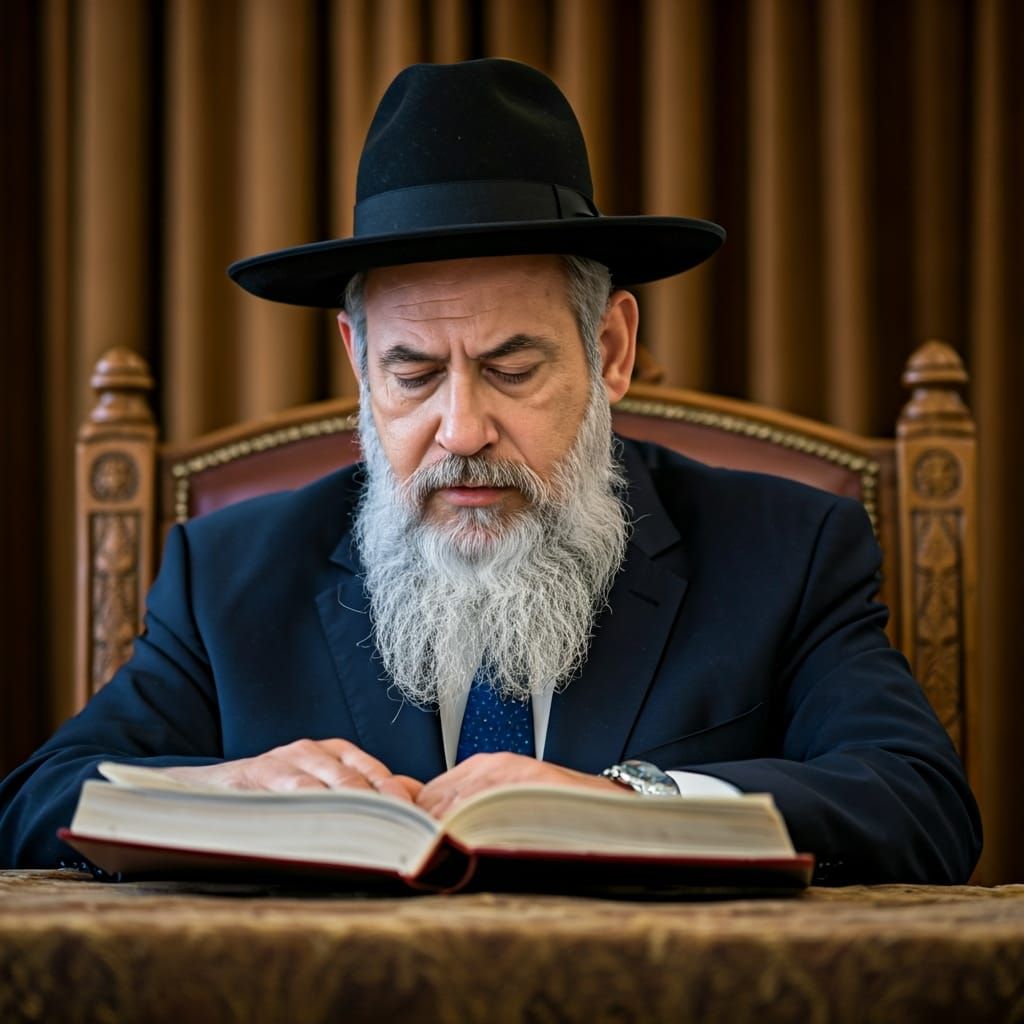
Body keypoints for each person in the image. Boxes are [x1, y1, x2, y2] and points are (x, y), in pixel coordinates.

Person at [0, 58, 980, 883]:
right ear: (355, 359)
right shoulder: (225, 576)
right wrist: (210, 790)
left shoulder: (788, 551)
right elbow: (36, 806)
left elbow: (921, 807)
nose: (460, 426)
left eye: (512, 367)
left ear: (610, 347)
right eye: (413, 373)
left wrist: (628, 803)